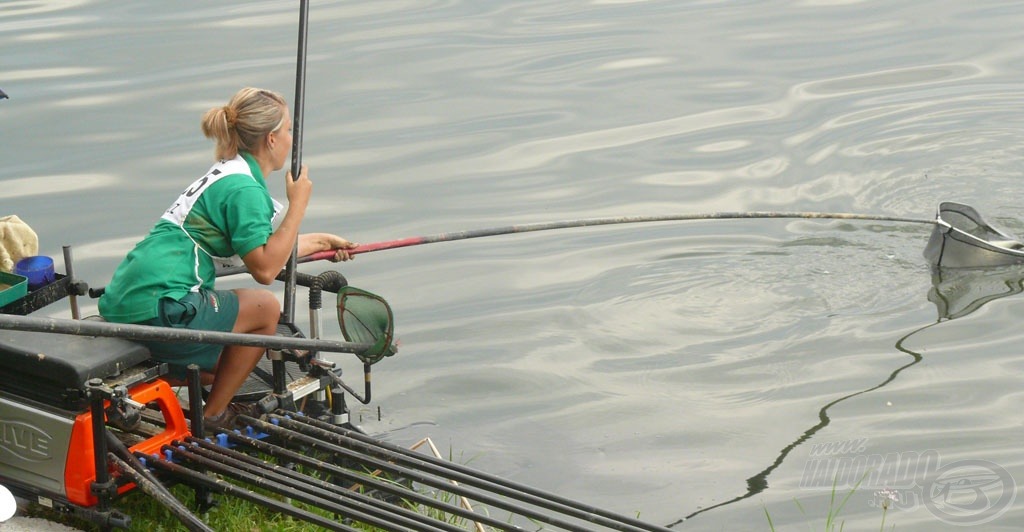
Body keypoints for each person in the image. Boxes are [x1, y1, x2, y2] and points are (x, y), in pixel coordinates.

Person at [99, 87, 356, 430]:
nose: (292, 139)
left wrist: (324, 241)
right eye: (289, 130)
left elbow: (265, 248)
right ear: (270, 139)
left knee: (229, 359)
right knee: (265, 309)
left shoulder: (228, 173)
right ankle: (214, 417)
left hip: (128, 301)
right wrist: (298, 206)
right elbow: (265, 269)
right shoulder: (245, 190)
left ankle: (154, 397)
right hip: (163, 306)